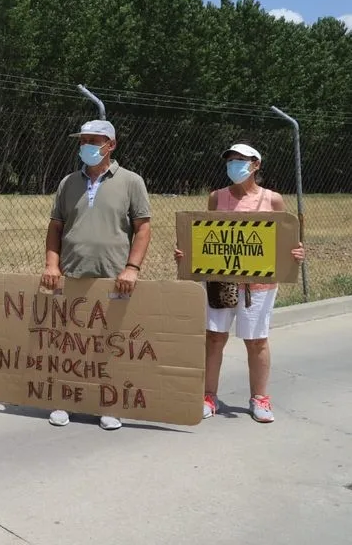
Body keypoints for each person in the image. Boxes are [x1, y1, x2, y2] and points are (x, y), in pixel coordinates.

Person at [174, 143, 304, 423]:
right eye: (230, 160)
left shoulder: (272, 200)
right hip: (220, 282)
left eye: (241, 160)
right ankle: (208, 396)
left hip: (259, 286)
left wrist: (295, 254)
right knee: (214, 338)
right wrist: (188, 254)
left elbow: (285, 241)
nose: (234, 165)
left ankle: (260, 398)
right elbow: (207, 236)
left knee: (256, 341)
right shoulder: (216, 197)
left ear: (256, 165)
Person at [40, 119, 152, 431]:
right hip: (72, 275)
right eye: (83, 140)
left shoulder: (131, 182)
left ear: (111, 145)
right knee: (70, 342)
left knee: (110, 342)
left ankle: (109, 404)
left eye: (93, 140)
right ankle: (66, 399)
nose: (86, 146)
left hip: (113, 278)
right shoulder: (68, 183)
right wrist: (52, 265)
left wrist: (132, 268)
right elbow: (56, 227)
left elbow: (143, 228)